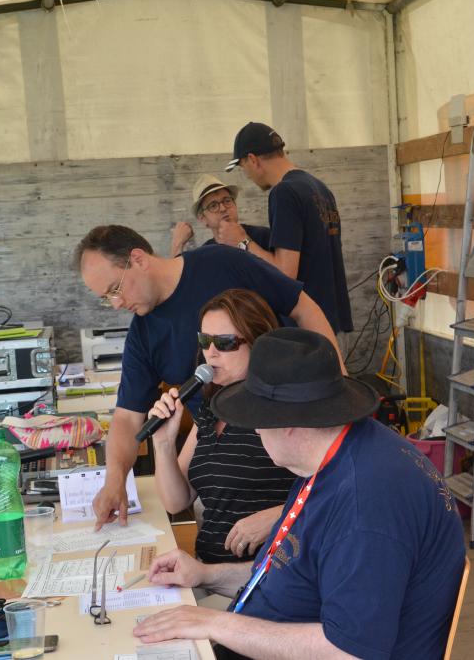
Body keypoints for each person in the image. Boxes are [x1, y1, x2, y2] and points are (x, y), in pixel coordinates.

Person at [133, 328, 466, 659]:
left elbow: (348, 651)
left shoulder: (365, 503)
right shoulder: (339, 451)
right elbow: (290, 571)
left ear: (286, 422)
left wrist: (214, 624)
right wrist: (205, 575)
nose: (255, 430)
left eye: (256, 418)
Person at [73, 225, 340, 531]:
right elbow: (127, 418)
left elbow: (303, 308)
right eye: (106, 298)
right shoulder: (143, 334)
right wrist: (114, 480)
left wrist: (340, 387)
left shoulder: (221, 263)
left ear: (138, 259)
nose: (116, 304)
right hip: (216, 458)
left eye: (115, 289)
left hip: (286, 431)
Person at [148, 289, 297, 564]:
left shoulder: (283, 410)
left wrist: (280, 515)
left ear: (258, 343)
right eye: (205, 340)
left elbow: (334, 492)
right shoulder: (212, 407)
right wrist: (163, 443)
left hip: (266, 576)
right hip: (206, 571)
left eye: (225, 343)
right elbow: (176, 501)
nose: (211, 353)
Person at [223, 122, 353, 336]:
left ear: (253, 159)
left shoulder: (284, 193)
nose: (246, 174)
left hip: (308, 327)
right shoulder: (320, 188)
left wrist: (242, 241)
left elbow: (285, 273)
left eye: (242, 166)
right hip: (331, 320)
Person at [170, 174, 271, 257]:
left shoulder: (262, 236)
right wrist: (177, 243)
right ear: (203, 219)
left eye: (227, 201)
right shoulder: (205, 255)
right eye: (213, 206)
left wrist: (243, 242)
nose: (223, 208)